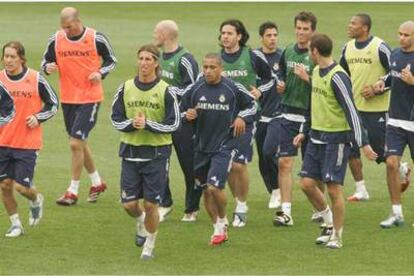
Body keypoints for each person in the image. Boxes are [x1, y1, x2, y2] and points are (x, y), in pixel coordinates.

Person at [295, 33, 377, 249]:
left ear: (314, 51)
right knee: (306, 184)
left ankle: (337, 236)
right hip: (316, 138)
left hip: (336, 140)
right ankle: (329, 222)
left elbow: (352, 111)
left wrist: (363, 143)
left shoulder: (338, 77)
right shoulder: (315, 71)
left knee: (333, 190)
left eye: (309, 50)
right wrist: (304, 130)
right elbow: (314, 104)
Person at [41, 7, 117, 205]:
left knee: (75, 143)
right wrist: (47, 68)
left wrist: (100, 73)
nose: (66, 31)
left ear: (77, 21)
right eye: (63, 27)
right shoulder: (56, 39)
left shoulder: (95, 38)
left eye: (69, 27)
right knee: (80, 142)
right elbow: (46, 60)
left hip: (90, 97)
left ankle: (72, 191)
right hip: (68, 98)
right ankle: (97, 182)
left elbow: (111, 60)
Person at [111, 44, 179, 259]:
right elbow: (115, 119)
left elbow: (174, 123)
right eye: (141, 58)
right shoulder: (126, 87)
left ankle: (149, 244)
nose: (144, 63)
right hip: (130, 153)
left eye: (149, 59)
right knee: (130, 205)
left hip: (157, 155)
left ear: (156, 63)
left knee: (151, 204)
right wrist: (133, 124)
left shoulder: (166, 90)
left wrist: (149, 124)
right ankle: (141, 223)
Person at [181, 53, 256, 245]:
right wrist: (187, 115)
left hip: (225, 145)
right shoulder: (195, 88)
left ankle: (222, 219)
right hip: (201, 147)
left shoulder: (232, 88)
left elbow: (253, 105)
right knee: (206, 190)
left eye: (212, 67)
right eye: (205, 67)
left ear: (221, 69)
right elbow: (180, 110)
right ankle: (217, 229)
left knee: (215, 187)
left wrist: (241, 118)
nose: (207, 71)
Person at [340, 13, 411, 201]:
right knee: (351, 149)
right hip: (354, 110)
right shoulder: (346, 48)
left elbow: (393, 73)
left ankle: (402, 168)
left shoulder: (380, 47)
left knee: (382, 154)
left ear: (364, 28)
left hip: (377, 111)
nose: (349, 26)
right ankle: (361, 188)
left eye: (353, 24)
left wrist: (376, 90)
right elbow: (341, 74)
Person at [219, 19, 274, 227]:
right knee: (228, 165)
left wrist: (260, 91)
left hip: (248, 117)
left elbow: (271, 79)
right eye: (223, 33)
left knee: (238, 164)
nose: (225, 36)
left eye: (230, 33)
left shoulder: (252, 56)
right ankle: (237, 201)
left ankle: (241, 206)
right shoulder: (217, 60)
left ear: (239, 36)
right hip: (223, 120)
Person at [0, 41, 58, 237]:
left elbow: (53, 104)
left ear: (21, 59)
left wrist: (37, 117)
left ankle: (35, 199)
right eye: (6, 56)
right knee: (5, 185)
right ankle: (16, 224)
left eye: (12, 57)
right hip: (2, 142)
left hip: (27, 143)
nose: (8, 60)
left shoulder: (35, 79)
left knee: (22, 187)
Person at [264, 11, 317, 226]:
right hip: (287, 114)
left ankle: (319, 207)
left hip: (311, 117)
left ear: (313, 30)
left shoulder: (316, 54)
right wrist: (281, 86)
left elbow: (326, 85)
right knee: (284, 163)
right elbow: (283, 77)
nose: (301, 32)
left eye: (305, 29)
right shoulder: (287, 52)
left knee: (313, 168)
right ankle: (286, 213)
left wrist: (308, 78)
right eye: (298, 28)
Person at [153, 19, 201, 222]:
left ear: (166, 35)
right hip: (163, 121)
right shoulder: (159, 58)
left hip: (183, 121)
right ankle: (165, 202)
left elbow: (193, 89)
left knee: (189, 165)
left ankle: (192, 207)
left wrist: (168, 92)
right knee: (158, 162)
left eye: (156, 32)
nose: (154, 35)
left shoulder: (185, 59)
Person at [374, 21, 414, 228]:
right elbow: (392, 75)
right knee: (391, 163)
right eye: (400, 34)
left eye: (406, 35)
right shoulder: (396, 55)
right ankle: (396, 212)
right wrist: (382, 82)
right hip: (396, 121)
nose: (402, 38)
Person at [256, 21, 283, 209]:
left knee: (270, 153)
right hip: (259, 115)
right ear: (262, 38)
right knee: (262, 158)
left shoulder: (283, 57)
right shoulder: (254, 58)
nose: (272, 38)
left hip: (279, 114)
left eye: (275, 35)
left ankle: (278, 190)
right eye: (269, 35)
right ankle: (273, 189)